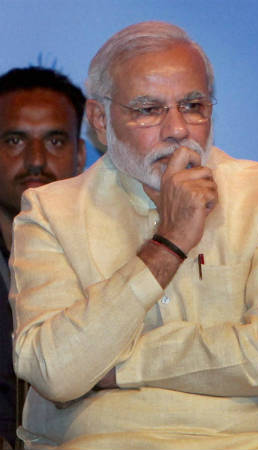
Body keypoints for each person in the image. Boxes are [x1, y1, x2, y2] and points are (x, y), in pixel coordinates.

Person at [10, 21, 258, 449]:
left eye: (193, 105)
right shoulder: (49, 212)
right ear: (100, 121)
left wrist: (114, 366)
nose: (178, 129)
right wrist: (169, 243)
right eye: (149, 109)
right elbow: (55, 371)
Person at [0, 67, 86, 448]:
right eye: (15, 140)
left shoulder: (119, 255)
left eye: (54, 141)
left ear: (81, 155)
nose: (35, 160)